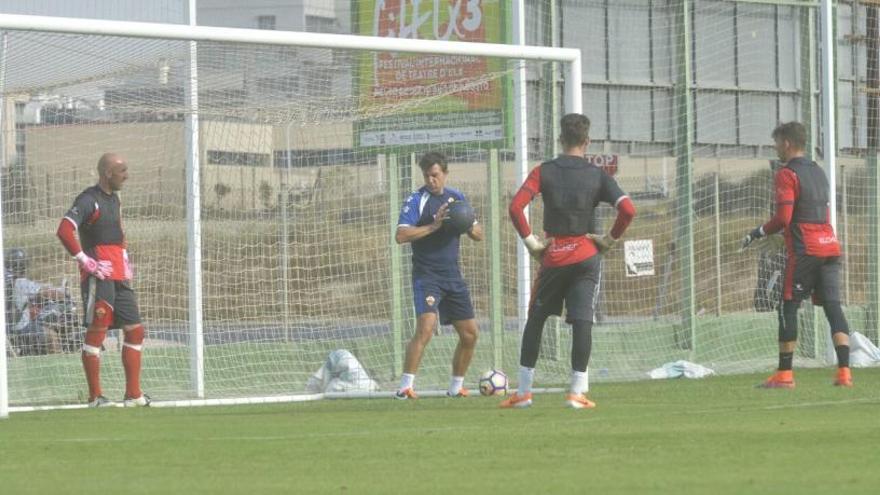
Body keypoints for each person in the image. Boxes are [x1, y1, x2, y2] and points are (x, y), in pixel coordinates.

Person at [502, 113, 636, 409]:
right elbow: (628, 210)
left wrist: (532, 243)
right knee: (583, 320)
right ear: (587, 142)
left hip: (555, 255)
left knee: (536, 320)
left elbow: (515, 208)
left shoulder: (544, 171)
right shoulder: (598, 175)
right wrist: (609, 240)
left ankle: (524, 392)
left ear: (560, 139)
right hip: (587, 255)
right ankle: (576, 393)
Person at [741, 121, 853, 388]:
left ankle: (784, 374)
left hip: (806, 250)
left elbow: (783, 217)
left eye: (777, 143)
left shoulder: (786, 173)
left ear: (787, 143)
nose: (776, 148)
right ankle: (845, 373)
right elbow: (820, 213)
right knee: (833, 307)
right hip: (830, 244)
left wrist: (758, 231)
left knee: (788, 305)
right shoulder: (819, 172)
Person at [56, 153, 151, 407]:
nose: (126, 175)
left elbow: (118, 234)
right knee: (97, 332)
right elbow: (64, 229)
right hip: (99, 277)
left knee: (136, 330)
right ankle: (95, 397)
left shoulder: (115, 200)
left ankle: (133, 395)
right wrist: (85, 260)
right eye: (122, 171)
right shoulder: (89, 200)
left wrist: (125, 259)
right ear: (108, 173)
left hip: (119, 275)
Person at [394, 151, 484, 399]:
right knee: (426, 327)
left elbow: (478, 233)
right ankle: (404, 388)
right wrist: (433, 226)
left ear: (445, 174)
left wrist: (464, 223)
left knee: (470, 334)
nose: (431, 180)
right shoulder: (416, 200)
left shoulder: (457, 198)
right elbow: (401, 236)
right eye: (426, 175)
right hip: (427, 275)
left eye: (435, 175)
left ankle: (456, 388)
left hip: (453, 276)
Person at [4, 248, 65, 355]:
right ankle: (58, 359)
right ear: (23, 266)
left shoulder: (6, 281)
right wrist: (64, 292)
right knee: (51, 335)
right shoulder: (20, 282)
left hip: (8, 327)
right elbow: (48, 293)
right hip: (20, 328)